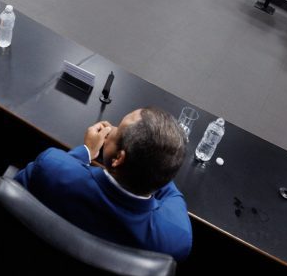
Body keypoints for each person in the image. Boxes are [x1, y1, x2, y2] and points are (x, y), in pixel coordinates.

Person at [14, 107, 192, 261]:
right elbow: (172, 195)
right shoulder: (176, 237)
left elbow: (16, 191)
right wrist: (160, 162)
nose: (111, 129)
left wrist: (86, 151)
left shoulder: (50, 167)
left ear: (118, 158)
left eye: (117, 128)